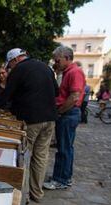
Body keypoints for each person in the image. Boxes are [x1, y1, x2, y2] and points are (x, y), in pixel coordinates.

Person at [0, 48, 58, 203]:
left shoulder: (18, 70)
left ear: (15, 60)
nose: (10, 68)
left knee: (25, 156)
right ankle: (37, 193)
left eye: (10, 65)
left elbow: (7, 95)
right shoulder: (45, 67)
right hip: (50, 119)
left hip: (32, 120)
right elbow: (57, 91)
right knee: (41, 156)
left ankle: (25, 195)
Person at [44, 46, 85, 190]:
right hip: (68, 113)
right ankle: (63, 177)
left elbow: (74, 97)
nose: (56, 62)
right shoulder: (68, 72)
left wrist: (60, 111)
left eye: (58, 60)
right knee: (65, 147)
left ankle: (61, 179)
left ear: (67, 58)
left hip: (68, 113)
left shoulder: (74, 72)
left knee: (64, 148)